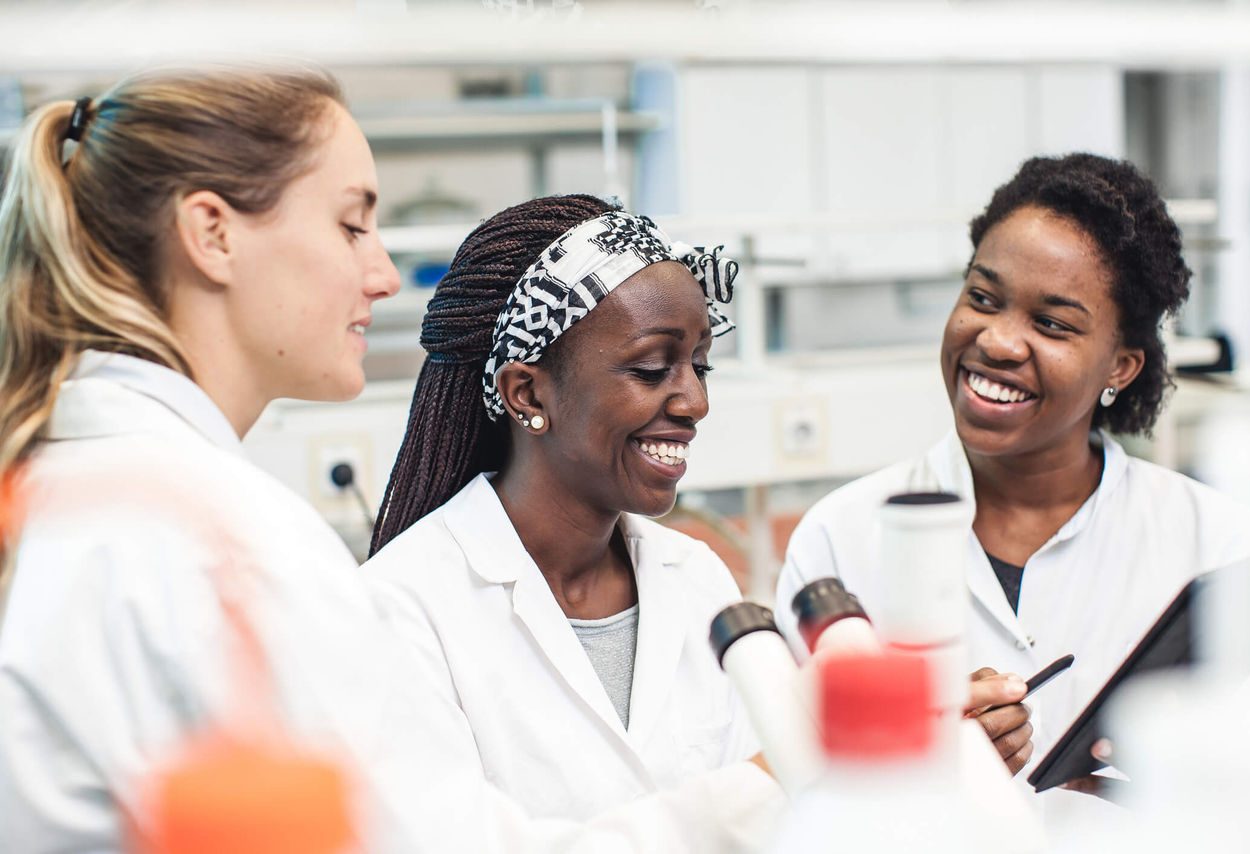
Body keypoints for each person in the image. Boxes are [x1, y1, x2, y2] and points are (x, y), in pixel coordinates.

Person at [0, 69, 783, 853]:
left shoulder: (63, 482)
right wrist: (764, 789)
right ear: (212, 234)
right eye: (350, 226)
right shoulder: (229, 540)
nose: (380, 272)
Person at [361, 194, 1030, 820]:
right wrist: (788, 771)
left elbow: (794, 826)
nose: (694, 404)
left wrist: (911, 756)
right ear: (528, 395)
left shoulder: (698, 581)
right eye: (653, 370)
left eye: (700, 366)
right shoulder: (401, 608)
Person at [775, 153, 1250, 782]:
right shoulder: (841, 538)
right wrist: (920, 757)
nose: (998, 341)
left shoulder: (1213, 541)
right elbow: (789, 783)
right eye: (983, 298)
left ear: (1121, 366)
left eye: (1052, 324)